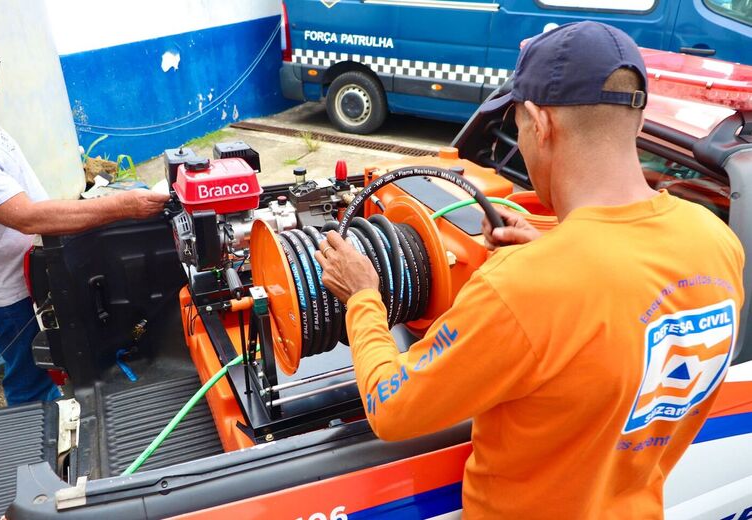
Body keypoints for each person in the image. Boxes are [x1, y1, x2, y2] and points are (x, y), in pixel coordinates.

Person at [315, 21, 745, 519]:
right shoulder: (715, 240)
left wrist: (364, 296)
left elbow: (392, 409)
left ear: (540, 124)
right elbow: (629, 306)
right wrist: (555, 248)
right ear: (639, 117)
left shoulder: (525, 287)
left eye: (517, 125)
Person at [0, 25, 169, 406]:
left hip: (30, 270)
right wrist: (122, 207)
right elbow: (28, 218)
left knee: (51, 364)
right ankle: (37, 457)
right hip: (2, 293)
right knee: (30, 380)